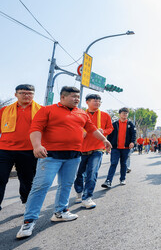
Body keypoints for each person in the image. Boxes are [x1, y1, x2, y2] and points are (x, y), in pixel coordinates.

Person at [16, 86, 111, 239]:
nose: (77, 99)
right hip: (50, 156)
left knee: (66, 184)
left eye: (78, 97)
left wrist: (105, 140)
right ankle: (29, 220)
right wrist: (37, 145)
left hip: (73, 157)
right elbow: (36, 128)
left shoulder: (82, 113)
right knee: (41, 186)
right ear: (62, 97)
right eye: (73, 96)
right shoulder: (48, 110)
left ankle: (60, 212)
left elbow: (92, 129)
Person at [0, 84, 41, 211]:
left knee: (27, 180)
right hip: (5, 150)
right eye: (22, 93)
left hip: (29, 151)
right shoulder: (4, 110)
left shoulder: (41, 110)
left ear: (33, 95)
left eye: (30, 93)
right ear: (16, 94)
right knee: (0, 178)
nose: (26, 95)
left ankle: (26, 202)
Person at [74, 94, 113, 209]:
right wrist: (81, 131)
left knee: (92, 172)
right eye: (94, 101)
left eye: (99, 101)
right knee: (79, 173)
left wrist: (104, 131)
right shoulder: (80, 114)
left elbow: (110, 128)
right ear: (87, 102)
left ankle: (87, 197)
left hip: (97, 148)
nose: (97, 103)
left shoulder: (105, 115)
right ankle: (79, 192)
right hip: (81, 148)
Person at [102, 107, 135, 188]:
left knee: (123, 164)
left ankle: (122, 179)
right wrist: (108, 145)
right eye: (123, 113)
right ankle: (108, 181)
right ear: (119, 114)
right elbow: (110, 135)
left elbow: (133, 135)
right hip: (115, 148)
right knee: (113, 163)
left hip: (126, 148)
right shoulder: (114, 124)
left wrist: (132, 142)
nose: (125, 115)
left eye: (126, 113)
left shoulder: (130, 124)